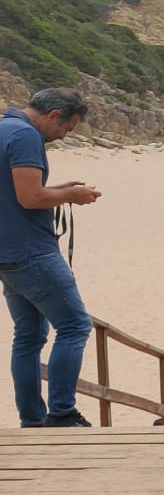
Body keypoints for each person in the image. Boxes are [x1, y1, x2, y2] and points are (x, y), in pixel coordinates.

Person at [1, 90, 99, 429]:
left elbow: (13, 193)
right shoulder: (26, 136)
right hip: (32, 252)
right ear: (54, 115)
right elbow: (29, 198)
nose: (63, 136)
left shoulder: (4, 129)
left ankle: (33, 419)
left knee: (28, 335)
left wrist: (57, 190)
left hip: (7, 254)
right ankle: (61, 413)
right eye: (67, 129)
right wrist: (71, 195)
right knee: (74, 325)